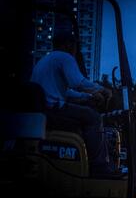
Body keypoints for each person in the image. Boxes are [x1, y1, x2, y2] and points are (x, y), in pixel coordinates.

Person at [30, 31, 114, 176]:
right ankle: (98, 167)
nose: (76, 50)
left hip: (44, 110)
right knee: (93, 117)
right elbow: (77, 82)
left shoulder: (46, 60)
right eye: (75, 45)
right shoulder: (65, 57)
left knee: (84, 113)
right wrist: (102, 90)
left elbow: (66, 92)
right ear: (69, 45)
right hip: (54, 110)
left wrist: (87, 97)